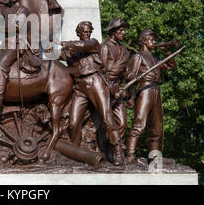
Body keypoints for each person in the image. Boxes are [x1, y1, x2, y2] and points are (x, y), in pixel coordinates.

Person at [60, 21, 124, 166]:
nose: (87, 34)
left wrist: (64, 43)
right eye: (84, 32)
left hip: (95, 82)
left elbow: (84, 45)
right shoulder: (71, 51)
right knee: (73, 122)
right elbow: (56, 55)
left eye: (89, 31)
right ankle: (76, 154)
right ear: (78, 33)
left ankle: (118, 150)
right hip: (80, 87)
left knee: (107, 118)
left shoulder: (93, 44)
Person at [124, 29, 177, 163]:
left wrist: (166, 51)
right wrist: (131, 96)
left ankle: (154, 157)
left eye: (154, 40)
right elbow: (129, 75)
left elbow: (171, 65)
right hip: (145, 90)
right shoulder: (138, 56)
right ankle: (130, 155)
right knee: (139, 124)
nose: (154, 42)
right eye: (151, 39)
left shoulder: (155, 59)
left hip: (156, 90)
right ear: (143, 41)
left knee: (156, 127)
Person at [0, 0, 30, 108]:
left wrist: (0, 28)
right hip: (5, 44)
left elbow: (18, 26)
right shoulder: (6, 10)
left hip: (16, 44)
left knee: (1, 65)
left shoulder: (23, 10)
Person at [100, 18, 131, 146]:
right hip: (105, 89)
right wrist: (112, 89)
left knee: (123, 124)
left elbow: (125, 70)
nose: (124, 33)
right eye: (121, 30)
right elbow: (101, 71)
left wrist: (130, 75)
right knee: (104, 123)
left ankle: (113, 148)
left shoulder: (123, 50)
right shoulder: (104, 46)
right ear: (113, 31)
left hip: (118, 90)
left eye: (124, 30)